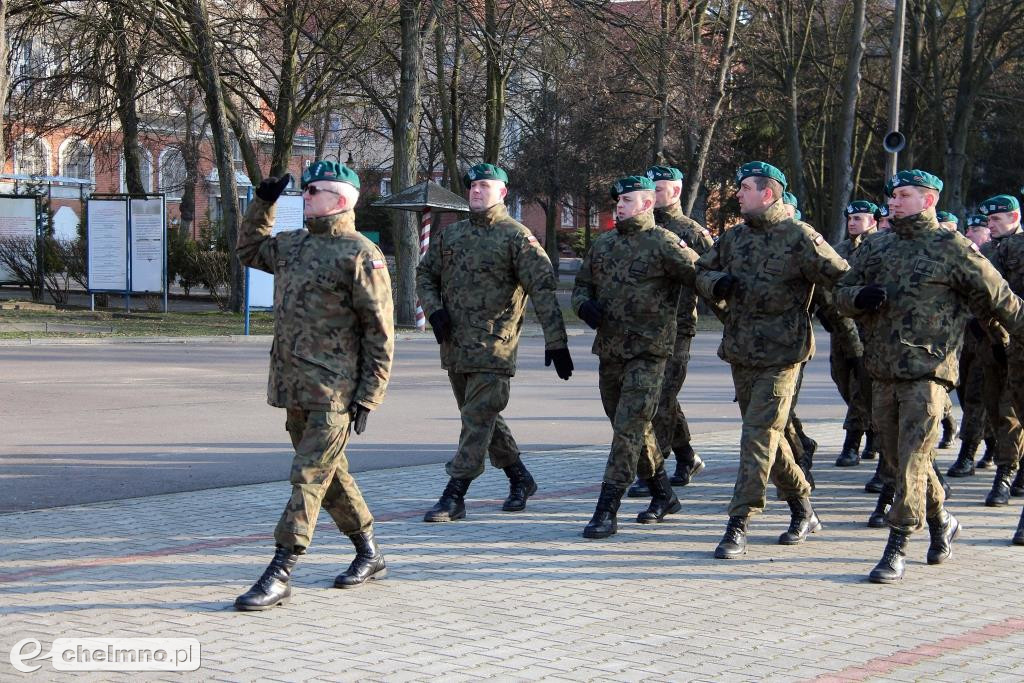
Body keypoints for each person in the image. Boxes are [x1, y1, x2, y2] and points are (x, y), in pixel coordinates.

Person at [836, 170, 1024, 583]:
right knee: (896, 460)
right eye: (893, 195)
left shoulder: (953, 247)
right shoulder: (877, 245)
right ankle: (941, 522)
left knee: (913, 461)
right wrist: (857, 298)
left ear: (928, 200)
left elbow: (1001, 299)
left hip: (930, 372)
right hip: (882, 370)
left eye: (904, 196)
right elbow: (842, 293)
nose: (894, 201)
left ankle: (897, 545)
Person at [233, 161, 395, 610]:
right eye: (304, 190)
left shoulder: (360, 254)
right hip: (294, 386)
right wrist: (263, 203)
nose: (304, 195)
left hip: (334, 392)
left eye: (314, 190)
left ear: (340, 200)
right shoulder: (293, 245)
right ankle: (369, 551)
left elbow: (380, 331)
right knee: (330, 474)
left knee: (307, 476)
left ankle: (280, 569)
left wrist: (370, 394)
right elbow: (248, 251)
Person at [696, 161, 848, 559]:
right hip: (741, 351)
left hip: (783, 354)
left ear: (768, 192)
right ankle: (803, 508)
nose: (738, 194)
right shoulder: (734, 238)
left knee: (756, 436)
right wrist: (716, 283)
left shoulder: (801, 237)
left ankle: (738, 522)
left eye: (745, 187)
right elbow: (700, 272)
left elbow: (843, 279)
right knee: (769, 437)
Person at [416, 163, 573, 523]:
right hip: (455, 346)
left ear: (502, 193)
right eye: (473, 185)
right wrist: (434, 310)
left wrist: (556, 341)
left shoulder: (516, 237)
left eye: (485, 186)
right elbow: (425, 274)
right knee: (483, 418)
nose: (476, 191)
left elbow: (543, 290)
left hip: (494, 346)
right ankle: (520, 479)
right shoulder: (450, 237)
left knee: (475, 419)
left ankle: (454, 495)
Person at [572, 175, 699, 538]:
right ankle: (663, 493)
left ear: (646, 204)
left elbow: (701, 275)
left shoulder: (663, 242)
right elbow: (582, 286)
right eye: (617, 201)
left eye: (627, 200)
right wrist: (584, 307)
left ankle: (606, 508)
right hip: (611, 351)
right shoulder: (604, 244)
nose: (619, 206)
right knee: (630, 427)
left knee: (627, 429)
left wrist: (729, 297)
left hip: (649, 352)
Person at [624, 165, 712, 500]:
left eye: (659, 189)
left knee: (661, 398)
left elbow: (714, 274)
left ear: (675, 192)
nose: (653, 194)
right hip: (643, 329)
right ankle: (687, 456)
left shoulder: (691, 232)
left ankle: (652, 472)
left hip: (677, 327)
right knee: (662, 398)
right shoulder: (638, 229)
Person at [977, 195, 1024, 511]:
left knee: (1010, 410)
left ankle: (1006, 473)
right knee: (993, 406)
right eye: (989, 220)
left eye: (997, 219)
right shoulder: (988, 250)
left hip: (1017, 340)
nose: (990, 225)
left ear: (1015, 217)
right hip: (988, 341)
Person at [831, 201, 878, 467]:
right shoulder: (840, 250)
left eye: (858, 218)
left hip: (867, 331)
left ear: (873, 221)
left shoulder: (878, 247)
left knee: (862, 386)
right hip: (841, 327)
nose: (852, 222)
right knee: (843, 380)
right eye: (849, 218)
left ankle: (852, 444)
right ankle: (873, 429)